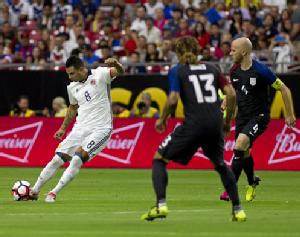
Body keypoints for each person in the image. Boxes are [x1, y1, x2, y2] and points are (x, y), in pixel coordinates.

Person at [141, 36, 246, 222]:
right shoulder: (212, 69)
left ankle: (161, 205)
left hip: (193, 124)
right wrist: (227, 121)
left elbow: (173, 98)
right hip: (214, 124)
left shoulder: (178, 70)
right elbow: (231, 94)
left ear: (178, 52)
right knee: (220, 165)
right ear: (197, 50)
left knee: (159, 159)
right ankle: (238, 210)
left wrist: (162, 119)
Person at [29, 55, 124, 202]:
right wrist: (62, 128)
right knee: (57, 159)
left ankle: (53, 192)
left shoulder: (100, 74)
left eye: (72, 73)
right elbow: (73, 108)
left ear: (81, 69)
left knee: (77, 159)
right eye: (68, 74)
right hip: (80, 128)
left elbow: (120, 72)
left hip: (101, 129)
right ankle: (34, 191)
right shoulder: (72, 87)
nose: (69, 76)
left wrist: (116, 64)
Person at [220, 37, 296, 202]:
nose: (230, 53)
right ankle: (252, 182)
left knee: (240, 145)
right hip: (242, 117)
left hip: (259, 116)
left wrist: (289, 114)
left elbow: (284, 89)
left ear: (244, 52)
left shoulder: (261, 70)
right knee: (244, 152)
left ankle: (229, 189)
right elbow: (235, 91)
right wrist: (227, 100)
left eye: (233, 50)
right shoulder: (234, 71)